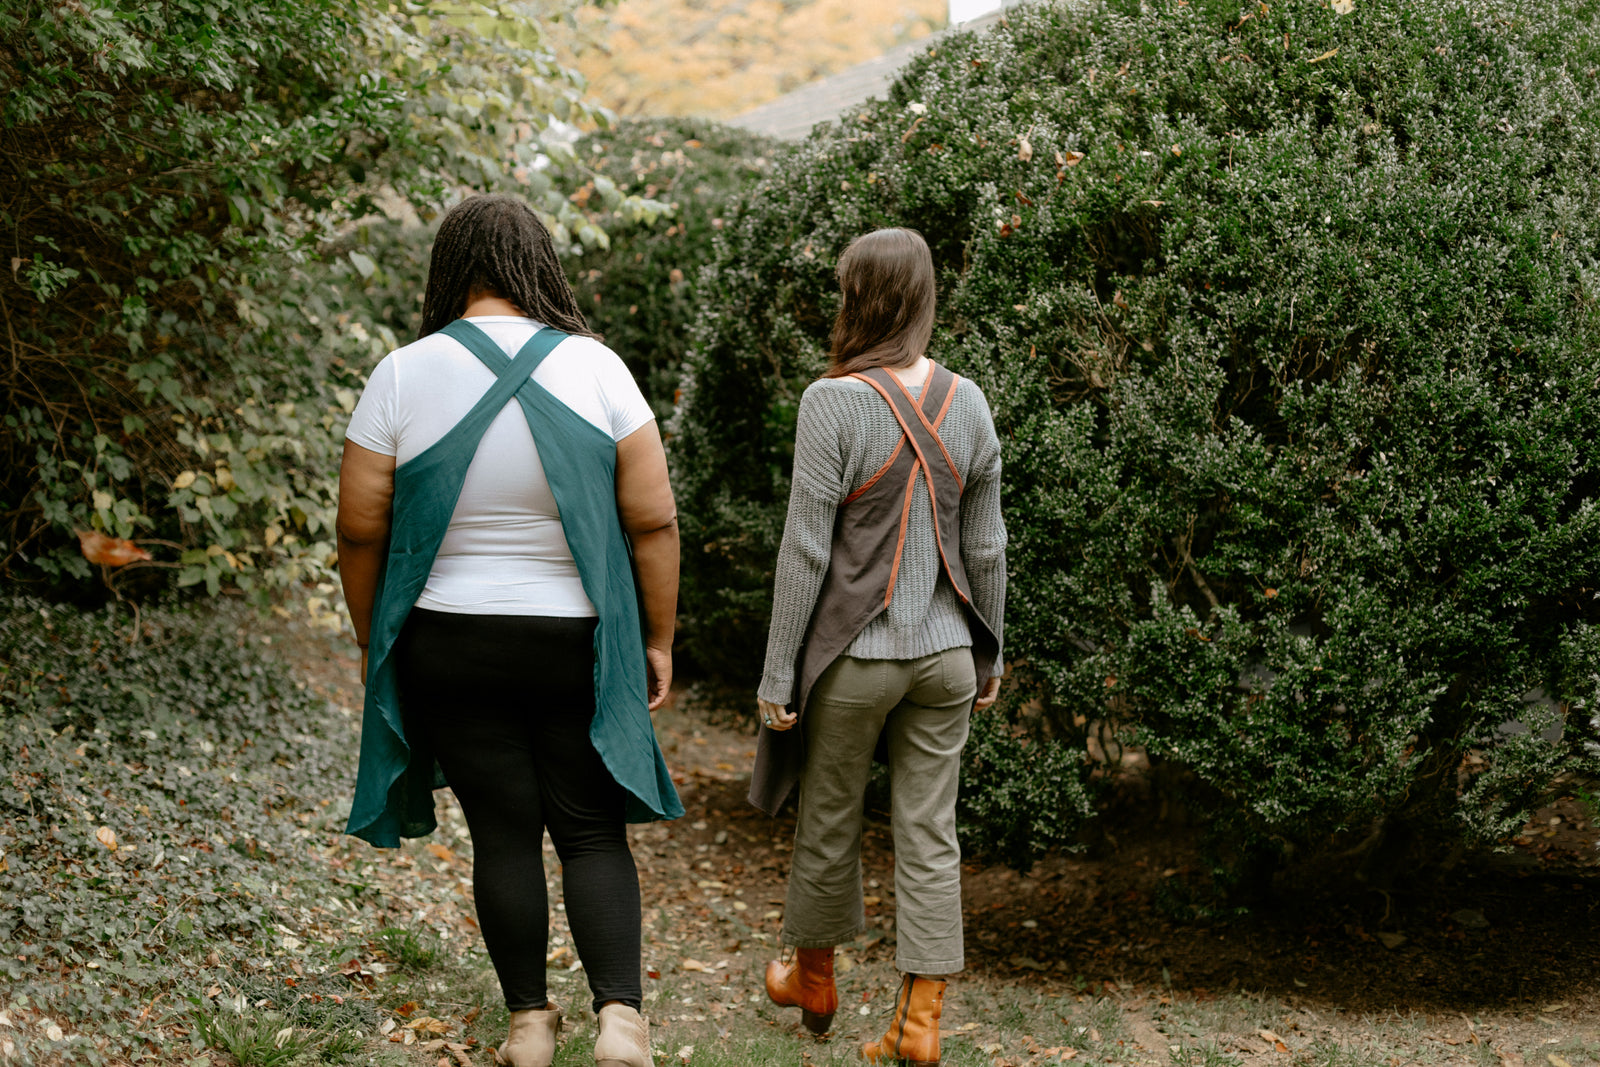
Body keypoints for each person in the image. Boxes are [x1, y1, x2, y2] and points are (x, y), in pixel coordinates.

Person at [336, 193, 683, 1067]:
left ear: (452, 268)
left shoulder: (403, 373)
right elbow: (653, 521)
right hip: (575, 640)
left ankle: (529, 1022)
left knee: (502, 830)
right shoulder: (598, 369)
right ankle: (619, 1021)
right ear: (540, 266)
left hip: (452, 639)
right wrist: (658, 638)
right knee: (591, 829)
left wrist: (376, 637)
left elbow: (359, 529)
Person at [749, 228, 1006, 1066]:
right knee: (931, 831)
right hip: (945, 659)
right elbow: (989, 548)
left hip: (855, 659)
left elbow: (806, 549)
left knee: (828, 817)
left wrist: (779, 669)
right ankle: (919, 1022)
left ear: (857, 299)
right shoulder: (967, 401)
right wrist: (991, 654)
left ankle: (814, 978)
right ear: (926, 298)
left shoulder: (831, 402)